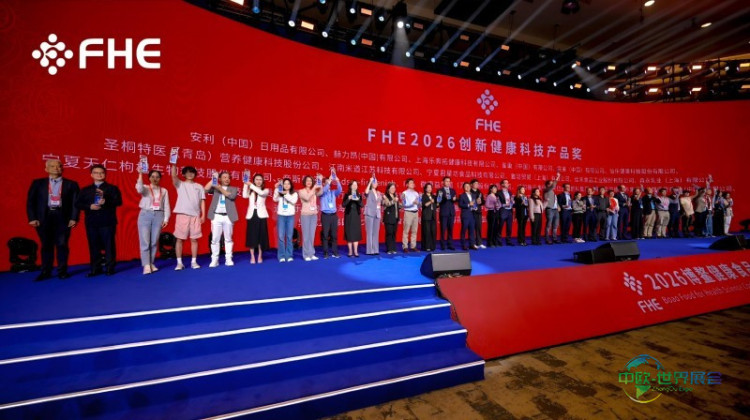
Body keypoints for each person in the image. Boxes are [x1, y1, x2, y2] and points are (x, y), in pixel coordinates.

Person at [26, 159, 80, 280]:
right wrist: (32, 218)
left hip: (63, 217)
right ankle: (46, 271)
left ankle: (62, 271)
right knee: (46, 245)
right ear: (46, 169)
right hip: (44, 217)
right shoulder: (37, 183)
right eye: (52, 166)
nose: (56, 168)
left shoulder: (71, 184)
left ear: (62, 168)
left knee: (62, 244)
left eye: (59, 166)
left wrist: (74, 218)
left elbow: (75, 203)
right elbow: (30, 202)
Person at [76, 165, 122, 277]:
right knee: (93, 246)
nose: (99, 175)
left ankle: (110, 267)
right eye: (96, 173)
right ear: (91, 175)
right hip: (92, 221)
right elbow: (77, 204)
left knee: (109, 245)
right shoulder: (85, 190)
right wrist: (89, 206)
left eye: (101, 172)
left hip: (107, 221)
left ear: (105, 174)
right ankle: (95, 268)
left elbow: (118, 202)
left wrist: (106, 202)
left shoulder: (112, 188)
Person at [136, 170, 171, 274]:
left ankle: (151, 263)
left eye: (157, 177)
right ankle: (146, 265)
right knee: (145, 241)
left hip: (159, 215)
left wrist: (166, 219)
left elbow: (166, 205)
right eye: (152, 176)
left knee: (154, 241)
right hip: (145, 214)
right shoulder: (145, 188)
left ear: (160, 178)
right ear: (149, 178)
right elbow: (139, 189)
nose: (155, 179)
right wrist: (140, 174)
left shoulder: (164, 190)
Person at [171, 165, 206, 270]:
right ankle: (179, 263)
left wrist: (203, 215)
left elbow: (202, 201)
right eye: (187, 172)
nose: (190, 174)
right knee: (179, 239)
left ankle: (194, 262)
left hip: (195, 216)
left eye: (192, 172)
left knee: (194, 239)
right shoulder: (180, 184)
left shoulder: (199, 186)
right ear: (183, 174)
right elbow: (173, 176)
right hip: (182, 214)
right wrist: (174, 164)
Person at [205, 171, 238, 267]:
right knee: (215, 239)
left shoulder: (233, 189)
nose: (227, 179)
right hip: (216, 216)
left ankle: (228, 259)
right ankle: (214, 260)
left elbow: (231, 196)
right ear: (220, 179)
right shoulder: (215, 188)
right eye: (224, 177)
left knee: (228, 239)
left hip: (228, 216)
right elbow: (205, 190)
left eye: (228, 177)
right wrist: (213, 179)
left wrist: (219, 187)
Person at [243, 173, 269, 264]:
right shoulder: (250, 190)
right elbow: (244, 195)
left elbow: (260, 193)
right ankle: (252, 256)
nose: (258, 181)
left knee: (261, 236)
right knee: (252, 236)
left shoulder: (265, 190)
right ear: (254, 180)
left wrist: (250, 184)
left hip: (261, 215)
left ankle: (260, 256)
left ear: (262, 181)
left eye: (260, 180)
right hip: (252, 214)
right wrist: (246, 183)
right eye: (256, 179)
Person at [298, 175, 323, 261]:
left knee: (312, 235)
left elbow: (321, 193)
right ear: (304, 182)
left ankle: (311, 253)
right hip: (305, 215)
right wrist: (314, 188)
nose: (309, 182)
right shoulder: (301, 191)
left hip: (313, 215)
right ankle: (306, 255)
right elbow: (307, 197)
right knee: (306, 236)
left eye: (310, 181)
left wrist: (320, 181)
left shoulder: (314, 191)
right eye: (307, 181)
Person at [273, 178, 298, 262]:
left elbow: (293, 201)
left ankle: (289, 255)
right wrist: (276, 189)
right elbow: (274, 199)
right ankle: (281, 256)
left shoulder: (294, 194)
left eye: (288, 184)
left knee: (289, 236)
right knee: (281, 236)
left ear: (291, 185)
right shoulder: (280, 193)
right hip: (281, 216)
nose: (286, 185)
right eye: (285, 184)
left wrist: (285, 194)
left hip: (290, 216)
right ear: (282, 185)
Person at [319, 170, 342, 258]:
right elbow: (324, 190)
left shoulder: (333, 192)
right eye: (326, 182)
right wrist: (329, 181)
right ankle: (325, 252)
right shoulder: (321, 191)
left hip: (333, 215)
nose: (329, 183)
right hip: (325, 215)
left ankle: (335, 252)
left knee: (334, 235)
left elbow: (340, 190)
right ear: (323, 184)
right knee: (325, 235)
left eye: (329, 182)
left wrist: (337, 180)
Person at [342, 180, 363, 257]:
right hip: (349, 216)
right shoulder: (347, 194)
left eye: (356, 185)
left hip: (356, 216)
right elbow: (343, 205)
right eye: (353, 185)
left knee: (356, 233)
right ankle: (350, 251)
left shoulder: (359, 195)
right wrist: (348, 198)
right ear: (350, 186)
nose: (355, 186)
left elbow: (362, 205)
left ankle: (356, 251)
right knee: (349, 233)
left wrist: (358, 200)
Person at [437, 177, 457, 250]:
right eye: (446, 181)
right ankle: (442, 244)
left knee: (450, 229)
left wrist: (454, 199)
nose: (448, 183)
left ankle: (450, 244)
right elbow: (439, 201)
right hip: (444, 212)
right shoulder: (440, 191)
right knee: (443, 229)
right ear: (443, 182)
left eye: (449, 181)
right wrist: (444, 198)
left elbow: (455, 200)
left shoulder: (452, 190)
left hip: (451, 213)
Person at [364, 174, 382, 255]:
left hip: (377, 213)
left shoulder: (378, 193)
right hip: (369, 213)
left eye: (376, 182)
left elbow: (380, 202)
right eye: (374, 182)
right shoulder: (369, 191)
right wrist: (370, 182)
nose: (375, 183)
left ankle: (375, 249)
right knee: (369, 232)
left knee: (375, 232)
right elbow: (366, 192)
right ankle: (370, 250)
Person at [401, 178, 420, 253]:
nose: (413, 184)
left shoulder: (416, 193)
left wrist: (418, 203)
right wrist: (412, 204)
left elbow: (419, 205)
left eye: (413, 183)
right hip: (408, 212)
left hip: (416, 212)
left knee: (414, 230)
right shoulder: (404, 193)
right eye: (411, 183)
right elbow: (403, 205)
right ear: (407, 184)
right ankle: (405, 246)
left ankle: (413, 246)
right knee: (406, 230)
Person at [458, 182, 477, 250]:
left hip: (472, 214)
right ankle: (463, 244)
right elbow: (460, 205)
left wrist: (475, 207)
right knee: (464, 230)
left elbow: (475, 203)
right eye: (466, 186)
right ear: (464, 188)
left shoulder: (473, 195)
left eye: (468, 186)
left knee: (472, 230)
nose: (467, 187)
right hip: (465, 215)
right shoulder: (462, 195)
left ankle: (472, 244)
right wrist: (468, 204)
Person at [543, 172, 561, 244]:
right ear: (547, 185)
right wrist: (557, 178)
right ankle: (547, 239)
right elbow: (553, 186)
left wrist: (558, 207)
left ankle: (554, 238)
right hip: (549, 209)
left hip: (555, 210)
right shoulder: (546, 190)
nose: (552, 185)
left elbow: (555, 201)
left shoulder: (553, 192)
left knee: (555, 225)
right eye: (550, 184)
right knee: (549, 225)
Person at [382, 183, 400, 254]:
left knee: (393, 233)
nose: (393, 189)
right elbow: (387, 204)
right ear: (388, 189)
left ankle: (393, 248)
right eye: (391, 188)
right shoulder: (385, 196)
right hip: (388, 218)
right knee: (389, 233)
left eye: (394, 188)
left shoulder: (395, 196)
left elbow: (397, 206)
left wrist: (402, 204)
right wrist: (394, 201)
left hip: (395, 217)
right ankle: (389, 249)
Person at [497, 179, 514, 246]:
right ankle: (499, 240)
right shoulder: (499, 193)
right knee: (500, 226)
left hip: (509, 210)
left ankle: (508, 240)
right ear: (502, 184)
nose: (507, 184)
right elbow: (498, 202)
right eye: (506, 183)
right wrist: (504, 204)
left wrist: (512, 202)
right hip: (503, 210)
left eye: (508, 183)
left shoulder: (510, 192)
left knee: (509, 226)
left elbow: (511, 200)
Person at [421, 183, 437, 251]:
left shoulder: (434, 196)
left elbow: (436, 205)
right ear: (425, 189)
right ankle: (426, 246)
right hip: (426, 216)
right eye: (428, 187)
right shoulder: (423, 196)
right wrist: (430, 201)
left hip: (433, 216)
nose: (430, 189)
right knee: (427, 231)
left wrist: (438, 202)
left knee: (433, 231)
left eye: (431, 187)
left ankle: (432, 246)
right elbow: (424, 205)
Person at [470, 179, 485, 249]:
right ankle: (472, 243)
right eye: (475, 183)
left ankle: (479, 242)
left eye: (477, 183)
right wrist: (475, 201)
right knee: (472, 228)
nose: (476, 185)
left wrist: (481, 202)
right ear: (471, 184)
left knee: (479, 227)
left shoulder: (479, 192)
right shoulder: (469, 192)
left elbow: (483, 202)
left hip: (478, 212)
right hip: (471, 212)